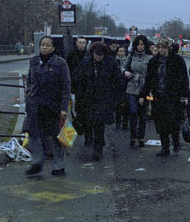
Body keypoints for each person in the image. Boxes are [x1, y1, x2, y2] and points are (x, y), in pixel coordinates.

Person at [23, 36, 72, 176]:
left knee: (57, 137)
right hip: (35, 105)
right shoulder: (33, 61)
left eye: (47, 45)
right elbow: (30, 80)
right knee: (35, 135)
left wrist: (64, 108)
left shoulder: (60, 63)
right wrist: (28, 94)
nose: (44, 47)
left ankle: (58, 165)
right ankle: (37, 163)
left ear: (53, 47)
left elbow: (66, 86)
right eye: (42, 45)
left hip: (53, 105)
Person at [73, 41, 123, 161]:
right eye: (96, 54)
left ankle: (98, 148)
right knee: (89, 120)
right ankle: (90, 137)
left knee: (99, 123)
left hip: (104, 98)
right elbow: (76, 78)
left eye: (100, 55)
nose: (98, 57)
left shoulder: (110, 63)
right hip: (87, 98)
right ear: (93, 53)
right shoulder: (86, 63)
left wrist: (117, 98)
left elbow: (117, 80)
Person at [139, 37, 189, 156]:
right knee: (160, 122)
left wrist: (184, 95)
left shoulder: (177, 60)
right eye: (159, 47)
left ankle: (176, 142)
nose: (161, 50)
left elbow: (184, 79)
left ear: (168, 48)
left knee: (173, 121)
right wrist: (143, 95)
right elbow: (149, 80)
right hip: (158, 96)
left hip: (173, 96)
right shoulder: (154, 62)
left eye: (163, 47)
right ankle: (165, 147)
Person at [122, 35, 152, 148]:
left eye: (142, 44)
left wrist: (145, 92)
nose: (140, 47)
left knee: (142, 115)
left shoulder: (149, 58)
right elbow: (123, 66)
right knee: (133, 112)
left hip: (144, 88)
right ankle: (133, 137)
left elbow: (151, 75)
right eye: (138, 44)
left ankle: (141, 137)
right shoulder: (131, 55)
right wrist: (125, 72)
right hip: (131, 87)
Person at [66, 37, 90, 144]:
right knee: (74, 111)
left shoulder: (89, 55)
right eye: (80, 42)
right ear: (76, 43)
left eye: (83, 43)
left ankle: (85, 132)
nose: (81, 44)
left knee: (84, 110)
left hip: (85, 88)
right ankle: (75, 131)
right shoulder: (71, 55)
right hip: (74, 87)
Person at [114, 45, 129, 130]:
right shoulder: (114, 61)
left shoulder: (128, 61)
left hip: (127, 85)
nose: (121, 53)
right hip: (117, 86)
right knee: (117, 105)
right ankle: (118, 122)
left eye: (123, 51)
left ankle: (125, 123)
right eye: (120, 51)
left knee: (126, 105)